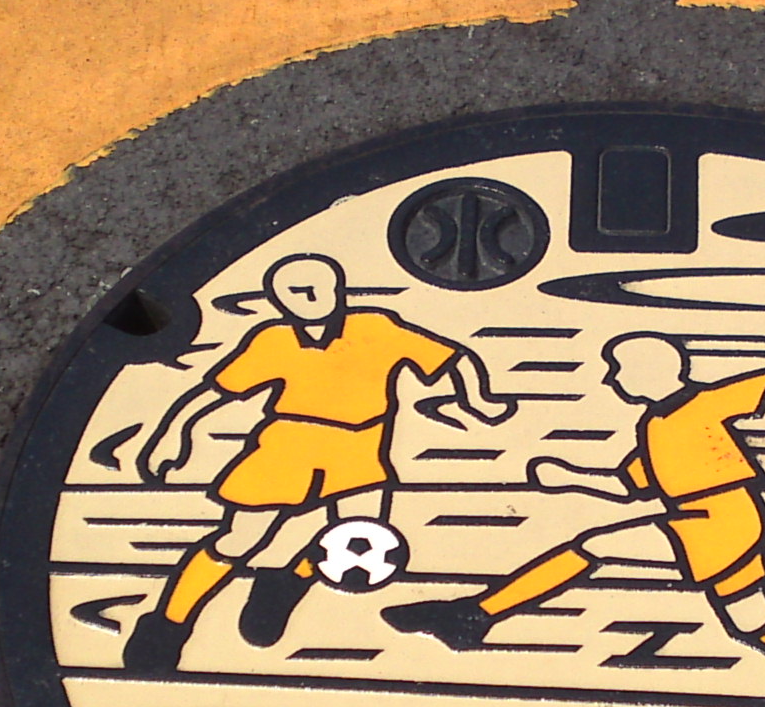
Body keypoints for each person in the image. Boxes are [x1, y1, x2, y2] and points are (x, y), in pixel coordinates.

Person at [382, 332, 765, 707]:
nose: (612, 379)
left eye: (619, 369)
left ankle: (473, 615)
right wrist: (571, 477)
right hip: (716, 521)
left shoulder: (702, 404)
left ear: (653, 371)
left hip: (718, 520)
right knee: (757, 622)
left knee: (595, 547)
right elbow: (626, 485)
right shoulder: (654, 425)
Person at [126, 252, 511, 671]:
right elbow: (216, 392)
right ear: (279, 299)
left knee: (355, 537)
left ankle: (288, 581)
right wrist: (173, 433)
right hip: (288, 445)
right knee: (239, 539)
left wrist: (478, 400)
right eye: (296, 291)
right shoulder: (273, 340)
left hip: (359, 449)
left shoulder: (374, 328)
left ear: (336, 289)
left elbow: (452, 356)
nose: (310, 298)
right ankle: (168, 624)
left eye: (319, 288)